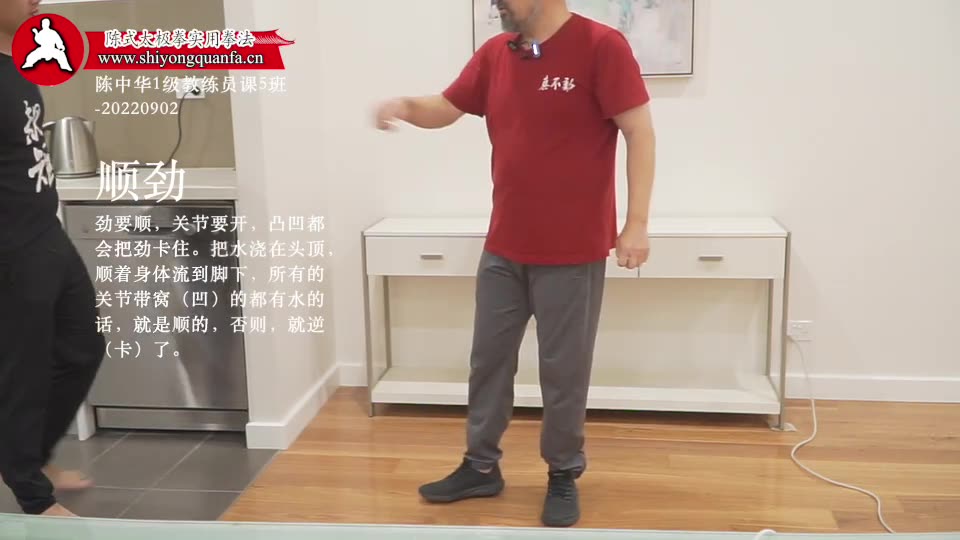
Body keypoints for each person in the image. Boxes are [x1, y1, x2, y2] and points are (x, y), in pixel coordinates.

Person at [373, 0, 656, 528]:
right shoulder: (497, 54)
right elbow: (447, 106)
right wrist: (407, 106)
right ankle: (481, 466)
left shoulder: (602, 47)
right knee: (488, 361)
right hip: (505, 246)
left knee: (564, 371)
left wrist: (636, 222)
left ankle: (563, 472)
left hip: (573, 250)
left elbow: (639, 131)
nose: (496, 2)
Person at [0, 0, 106, 517]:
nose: (34, 0)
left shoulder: (16, 67)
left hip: (46, 232)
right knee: (24, 370)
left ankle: (31, 458)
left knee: (83, 347)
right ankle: (33, 496)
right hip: (11, 247)